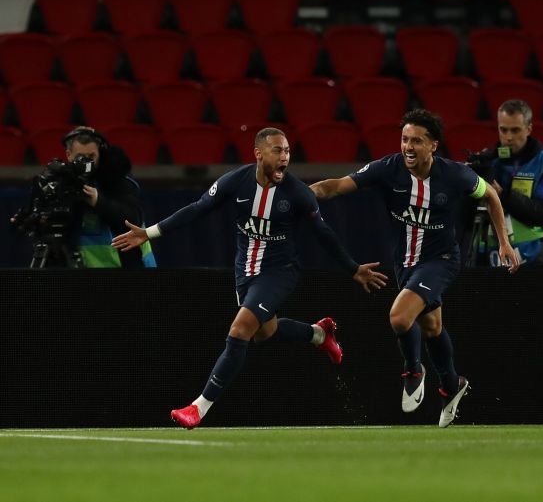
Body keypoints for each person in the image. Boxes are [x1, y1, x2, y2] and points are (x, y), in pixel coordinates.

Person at [111, 127, 388, 429]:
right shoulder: (236, 181)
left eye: (287, 151)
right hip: (245, 271)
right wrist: (148, 232)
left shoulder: (297, 194)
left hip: (280, 272)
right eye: (277, 151)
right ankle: (318, 334)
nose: (284, 157)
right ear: (258, 153)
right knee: (264, 333)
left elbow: (324, 235)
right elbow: (197, 209)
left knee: (241, 328)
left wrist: (352, 268)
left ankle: (198, 408)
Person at [311, 109, 520, 428]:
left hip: (443, 260)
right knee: (433, 327)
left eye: (417, 141)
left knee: (399, 316)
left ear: (433, 145)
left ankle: (413, 371)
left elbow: (490, 195)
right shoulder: (388, 168)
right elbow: (337, 186)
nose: (408, 146)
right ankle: (452, 385)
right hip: (405, 263)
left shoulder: (454, 175)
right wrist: (300, 195)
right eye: (405, 139)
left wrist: (503, 242)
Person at [11, 126, 156, 268]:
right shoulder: (62, 181)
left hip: (125, 266)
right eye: (80, 157)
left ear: (100, 152)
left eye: (91, 156)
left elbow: (132, 217)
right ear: (68, 155)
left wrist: (98, 201)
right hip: (82, 267)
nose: (87, 163)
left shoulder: (118, 179)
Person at [484, 99, 543, 267]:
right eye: (503, 130)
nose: (509, 137)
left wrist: (503, 195)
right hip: (489, 257)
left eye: (515, 130)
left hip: (532, 258)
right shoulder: (488, 163)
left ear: (529, 129)